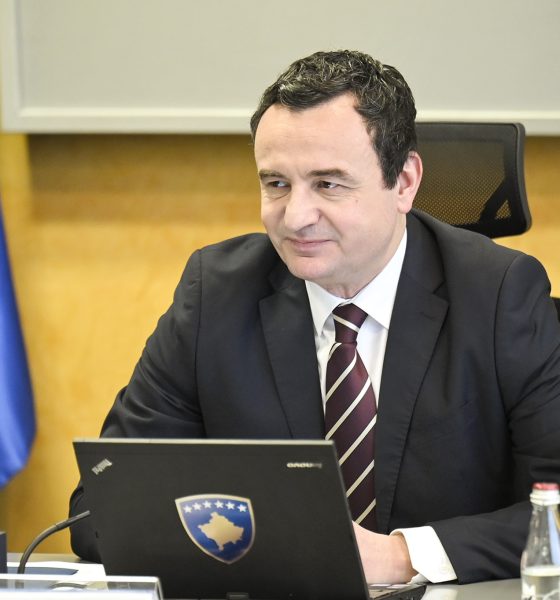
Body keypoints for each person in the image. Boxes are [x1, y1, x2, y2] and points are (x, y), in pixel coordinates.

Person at [69, 49, 560, 585]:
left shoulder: (501, 296)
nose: (296, 217)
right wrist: (271, 545)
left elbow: (554, 512)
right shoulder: (216, 294)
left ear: (404, 182)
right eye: (276, 184)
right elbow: (99, 510)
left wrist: (401, 556)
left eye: (328, 184)